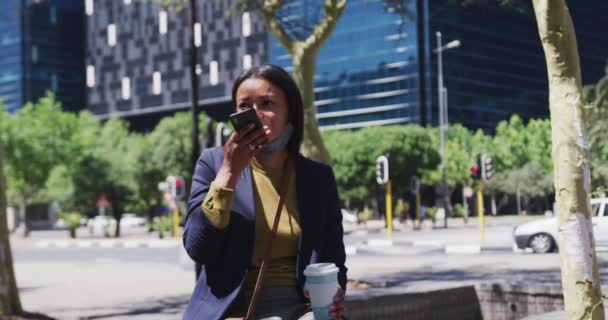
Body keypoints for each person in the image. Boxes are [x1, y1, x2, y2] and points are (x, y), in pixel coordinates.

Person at [182, 64, 347, 320]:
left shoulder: (317, 177)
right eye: (244, 106)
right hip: (234, 308)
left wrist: (335, 293)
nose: (255, 115)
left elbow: (333, 255)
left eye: (267, 104)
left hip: (303, 307)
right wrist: (229, 173)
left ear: (289, 113)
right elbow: (198, 248)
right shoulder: (212, 164)